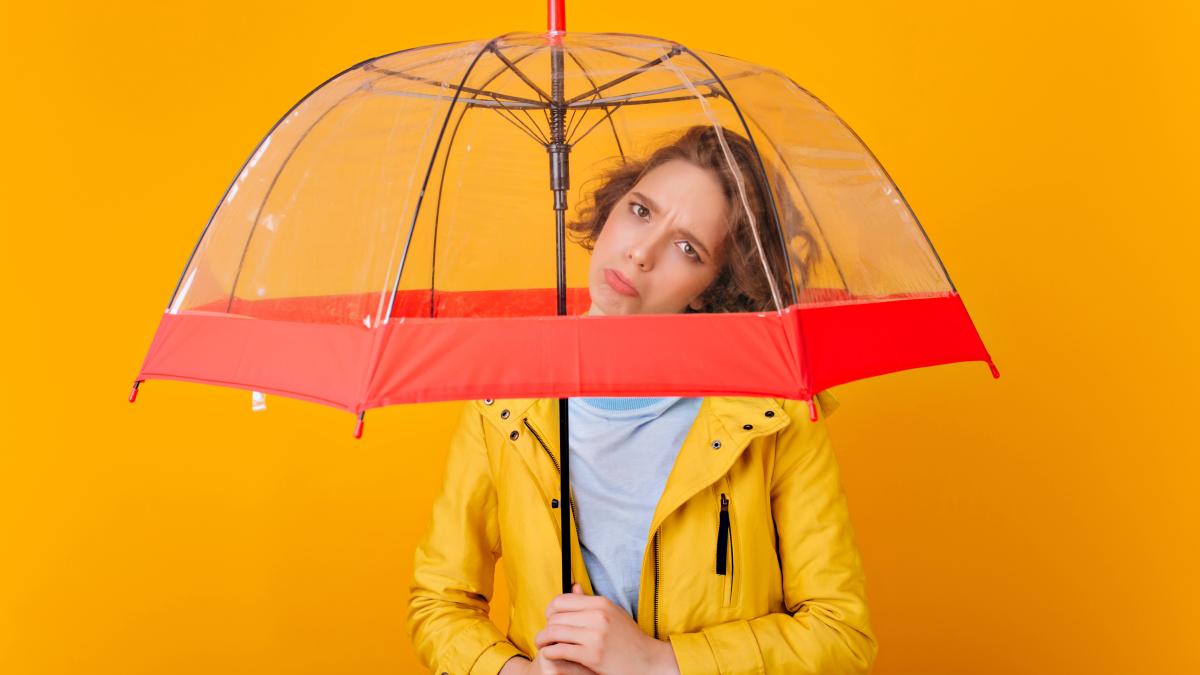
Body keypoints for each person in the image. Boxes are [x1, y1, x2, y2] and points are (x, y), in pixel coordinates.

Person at [406, 125, 877, 674]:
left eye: (687, 248)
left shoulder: (774, 415)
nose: (640, 253)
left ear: (711, 288)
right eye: (640, 211)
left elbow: (841, 635)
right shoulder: (506, 405)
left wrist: (660, 664)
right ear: (611, 208)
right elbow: (440, 601)